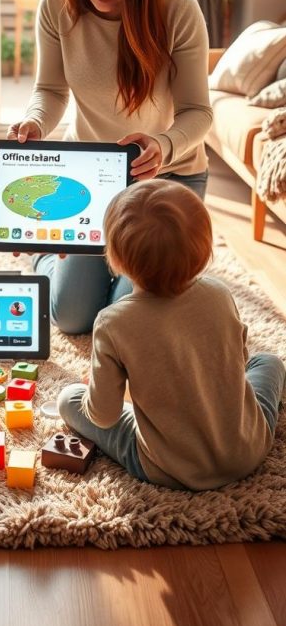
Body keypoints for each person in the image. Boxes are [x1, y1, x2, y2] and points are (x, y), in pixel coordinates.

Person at [8, 0, 213, 334]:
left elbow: (199, 111)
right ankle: (45, 253)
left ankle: (174, 274)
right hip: (91, 176)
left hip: (168, 178)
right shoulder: (56, 6)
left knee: (131, 315)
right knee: (71, 317)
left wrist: (162, 145)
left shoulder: (178, 11)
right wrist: (35, 121)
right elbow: (49, 90)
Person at [57, 180, 286, 490]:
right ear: (205, 252)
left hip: (168, 468)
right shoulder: (219, 293)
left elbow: (103, 415)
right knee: (269, 362)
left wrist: (110, 386)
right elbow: (237, 362)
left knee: (69, 399)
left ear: (116, 259)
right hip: (248, 451)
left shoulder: (113, 323)